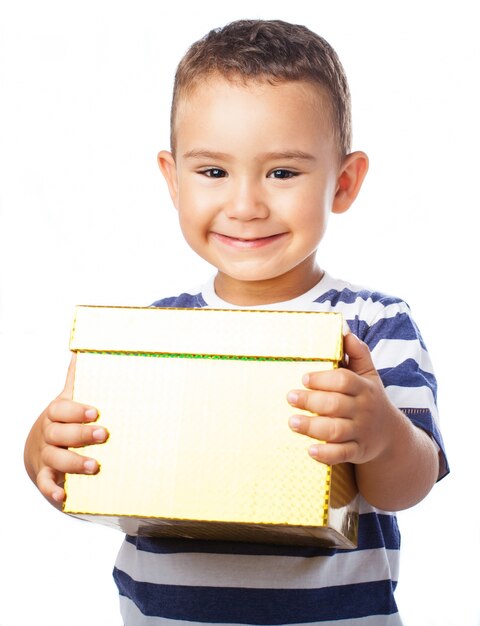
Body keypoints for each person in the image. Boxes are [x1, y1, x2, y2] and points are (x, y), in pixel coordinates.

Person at [24, 19, 448, 625]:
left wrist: (379, 432)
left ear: (344, 182)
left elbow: (410, 483)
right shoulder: (154, 335)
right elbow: (70, 465)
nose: (246, 205)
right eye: (214, 172)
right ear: (173, 180)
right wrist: (45, 441)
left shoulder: (372, 325)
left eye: (282, 172)